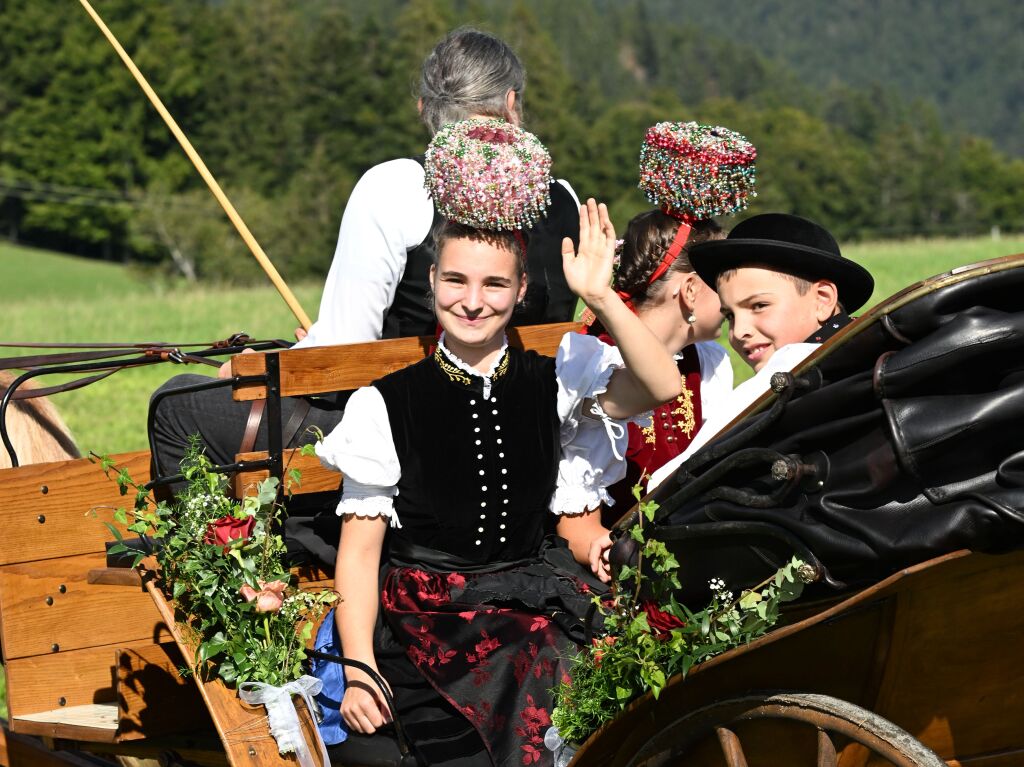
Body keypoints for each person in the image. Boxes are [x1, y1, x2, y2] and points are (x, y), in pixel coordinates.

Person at [316, 121, 681, 767]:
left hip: (535, 589)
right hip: (434, 612)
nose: (473, 301)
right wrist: (358, 664)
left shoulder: (558, 375)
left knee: (633, 659)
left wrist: (601, 296)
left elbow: (659, 381)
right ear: (432, 283)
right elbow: (360, 553)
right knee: (538, 665)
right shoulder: (386, 403)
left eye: (493, 285)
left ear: (520, 291)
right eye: (456, 281)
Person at [149, 28, 580, 515]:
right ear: (510, 103)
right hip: (531, 428)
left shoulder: (396, 187)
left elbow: (341, 355)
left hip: (415, 432)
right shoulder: (563, 198)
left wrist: (257, 370)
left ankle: (219, 566)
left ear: (424, 108)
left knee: (178, 403)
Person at [573, 122, 757, 519]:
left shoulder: (708, 362)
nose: (731, 295)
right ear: (690, 291)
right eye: (720, 278)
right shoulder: (597, 364)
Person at [647, 212, 875, 491]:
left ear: (823, 300)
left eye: (759, 306)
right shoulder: (868, 354)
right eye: (730, 315)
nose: (739, 331)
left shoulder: (784, 371)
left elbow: (664, 485)